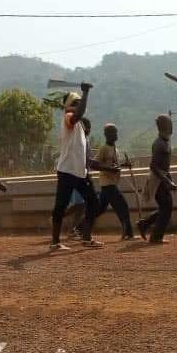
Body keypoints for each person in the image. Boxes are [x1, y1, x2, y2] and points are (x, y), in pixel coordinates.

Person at [50, 84, 102, 251]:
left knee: (94, 203)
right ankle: (55, 242)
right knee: (61, 206)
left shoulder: (78, 124)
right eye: (77, 102)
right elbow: (79, 112)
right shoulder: (69, 117)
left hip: (80, 173)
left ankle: (86, 237)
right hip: (67, 171)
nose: (80, 105)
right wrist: (86, 92)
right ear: (70, 106)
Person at [137, 114, 176, 243]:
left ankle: (145, 224)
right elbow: (154, 166)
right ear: (164, 126)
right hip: (158, 181)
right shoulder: (159, 144)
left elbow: (164, 166)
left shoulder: (165, 142)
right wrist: (167, 181)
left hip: (162, 179)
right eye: (169, 124)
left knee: (166, 207)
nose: (171, 126)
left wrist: (169, 178)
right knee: (166, 207)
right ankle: (155, 237)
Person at [95, 123, 134, 240]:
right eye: (113, 132)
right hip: (107, 183)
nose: (115, 135)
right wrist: (110, 169)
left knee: (100, 209)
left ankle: (80, 227)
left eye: (116, 132)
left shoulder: (115, 149)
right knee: (122, 206)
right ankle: (128, 232)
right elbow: (95, 165)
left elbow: (115, 165)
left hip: (112, 182)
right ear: (107, 135)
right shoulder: (103, 149)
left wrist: (124, 165)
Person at [63, 117, 91, 241]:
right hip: (77, 176)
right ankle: (72, 229)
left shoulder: (84, 141)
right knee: (81, 205)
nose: (88, 129)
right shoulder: (78, 142)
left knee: (81, 205)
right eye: (86, 127)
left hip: (81, 176)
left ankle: (70, 227)